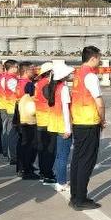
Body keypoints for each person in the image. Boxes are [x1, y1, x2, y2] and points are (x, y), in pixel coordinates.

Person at [70, 46, 105, 210]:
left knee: (77, 159)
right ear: (93, 58)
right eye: (99, 58)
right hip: (89, 122)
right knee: (86, 161)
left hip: (78, 121)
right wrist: (102, 119)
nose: (100, 61)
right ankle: (80, 199)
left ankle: (75, 196)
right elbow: (99, 101)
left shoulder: (77, 74)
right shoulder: (90, 76)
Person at [47, 64, 75, 192]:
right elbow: (65, 109)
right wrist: (68, 128)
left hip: (56, 125)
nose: (69, 75)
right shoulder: (63, 88)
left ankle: (60, 180)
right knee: (63, 156)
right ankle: (62, 182)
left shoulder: (54, 87)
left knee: (59, 155)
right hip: (63, 125)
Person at [33, 62, 57, 185]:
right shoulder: (46, 85)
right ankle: (47, 174)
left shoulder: (38, 83)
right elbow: (51, 100)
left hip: (40, 120)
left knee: (43, 149)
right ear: (50, 73)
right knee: (49, 150)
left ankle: (43, 172)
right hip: (48, 121)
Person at [16, 62, 39, 179]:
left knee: (22, 143)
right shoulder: (29, 84)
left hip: (19, 115)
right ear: (25, 71)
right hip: (28, 118)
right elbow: (33, 101)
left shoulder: (19, 82)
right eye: (32, 69)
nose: (34, 71)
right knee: (31, 144)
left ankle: (21, 167)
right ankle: (27, 169)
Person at [0, 60, 19, 163]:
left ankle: (7, 151)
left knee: (6, 131)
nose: (17, 69)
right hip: (11, 108)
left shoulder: (4, 77)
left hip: (5, 106)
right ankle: (12, 155)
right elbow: (18, 93)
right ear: (10, 68)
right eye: (16, 67)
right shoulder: (11, 79)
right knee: (11, 133)